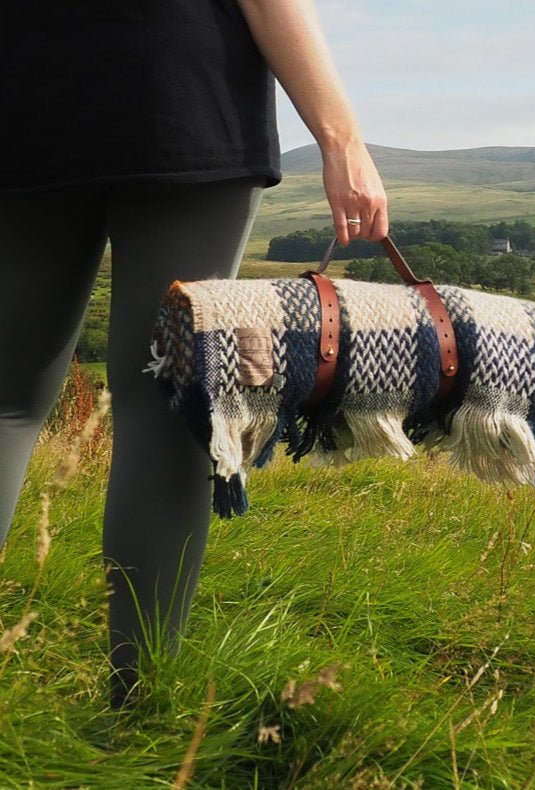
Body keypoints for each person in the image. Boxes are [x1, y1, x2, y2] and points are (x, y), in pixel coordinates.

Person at [0, 0, 388, 706]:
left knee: (5, 403)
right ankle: (138, 706)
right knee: (166, 406)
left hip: (23, 95)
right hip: (183, 98)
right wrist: (341, 138)